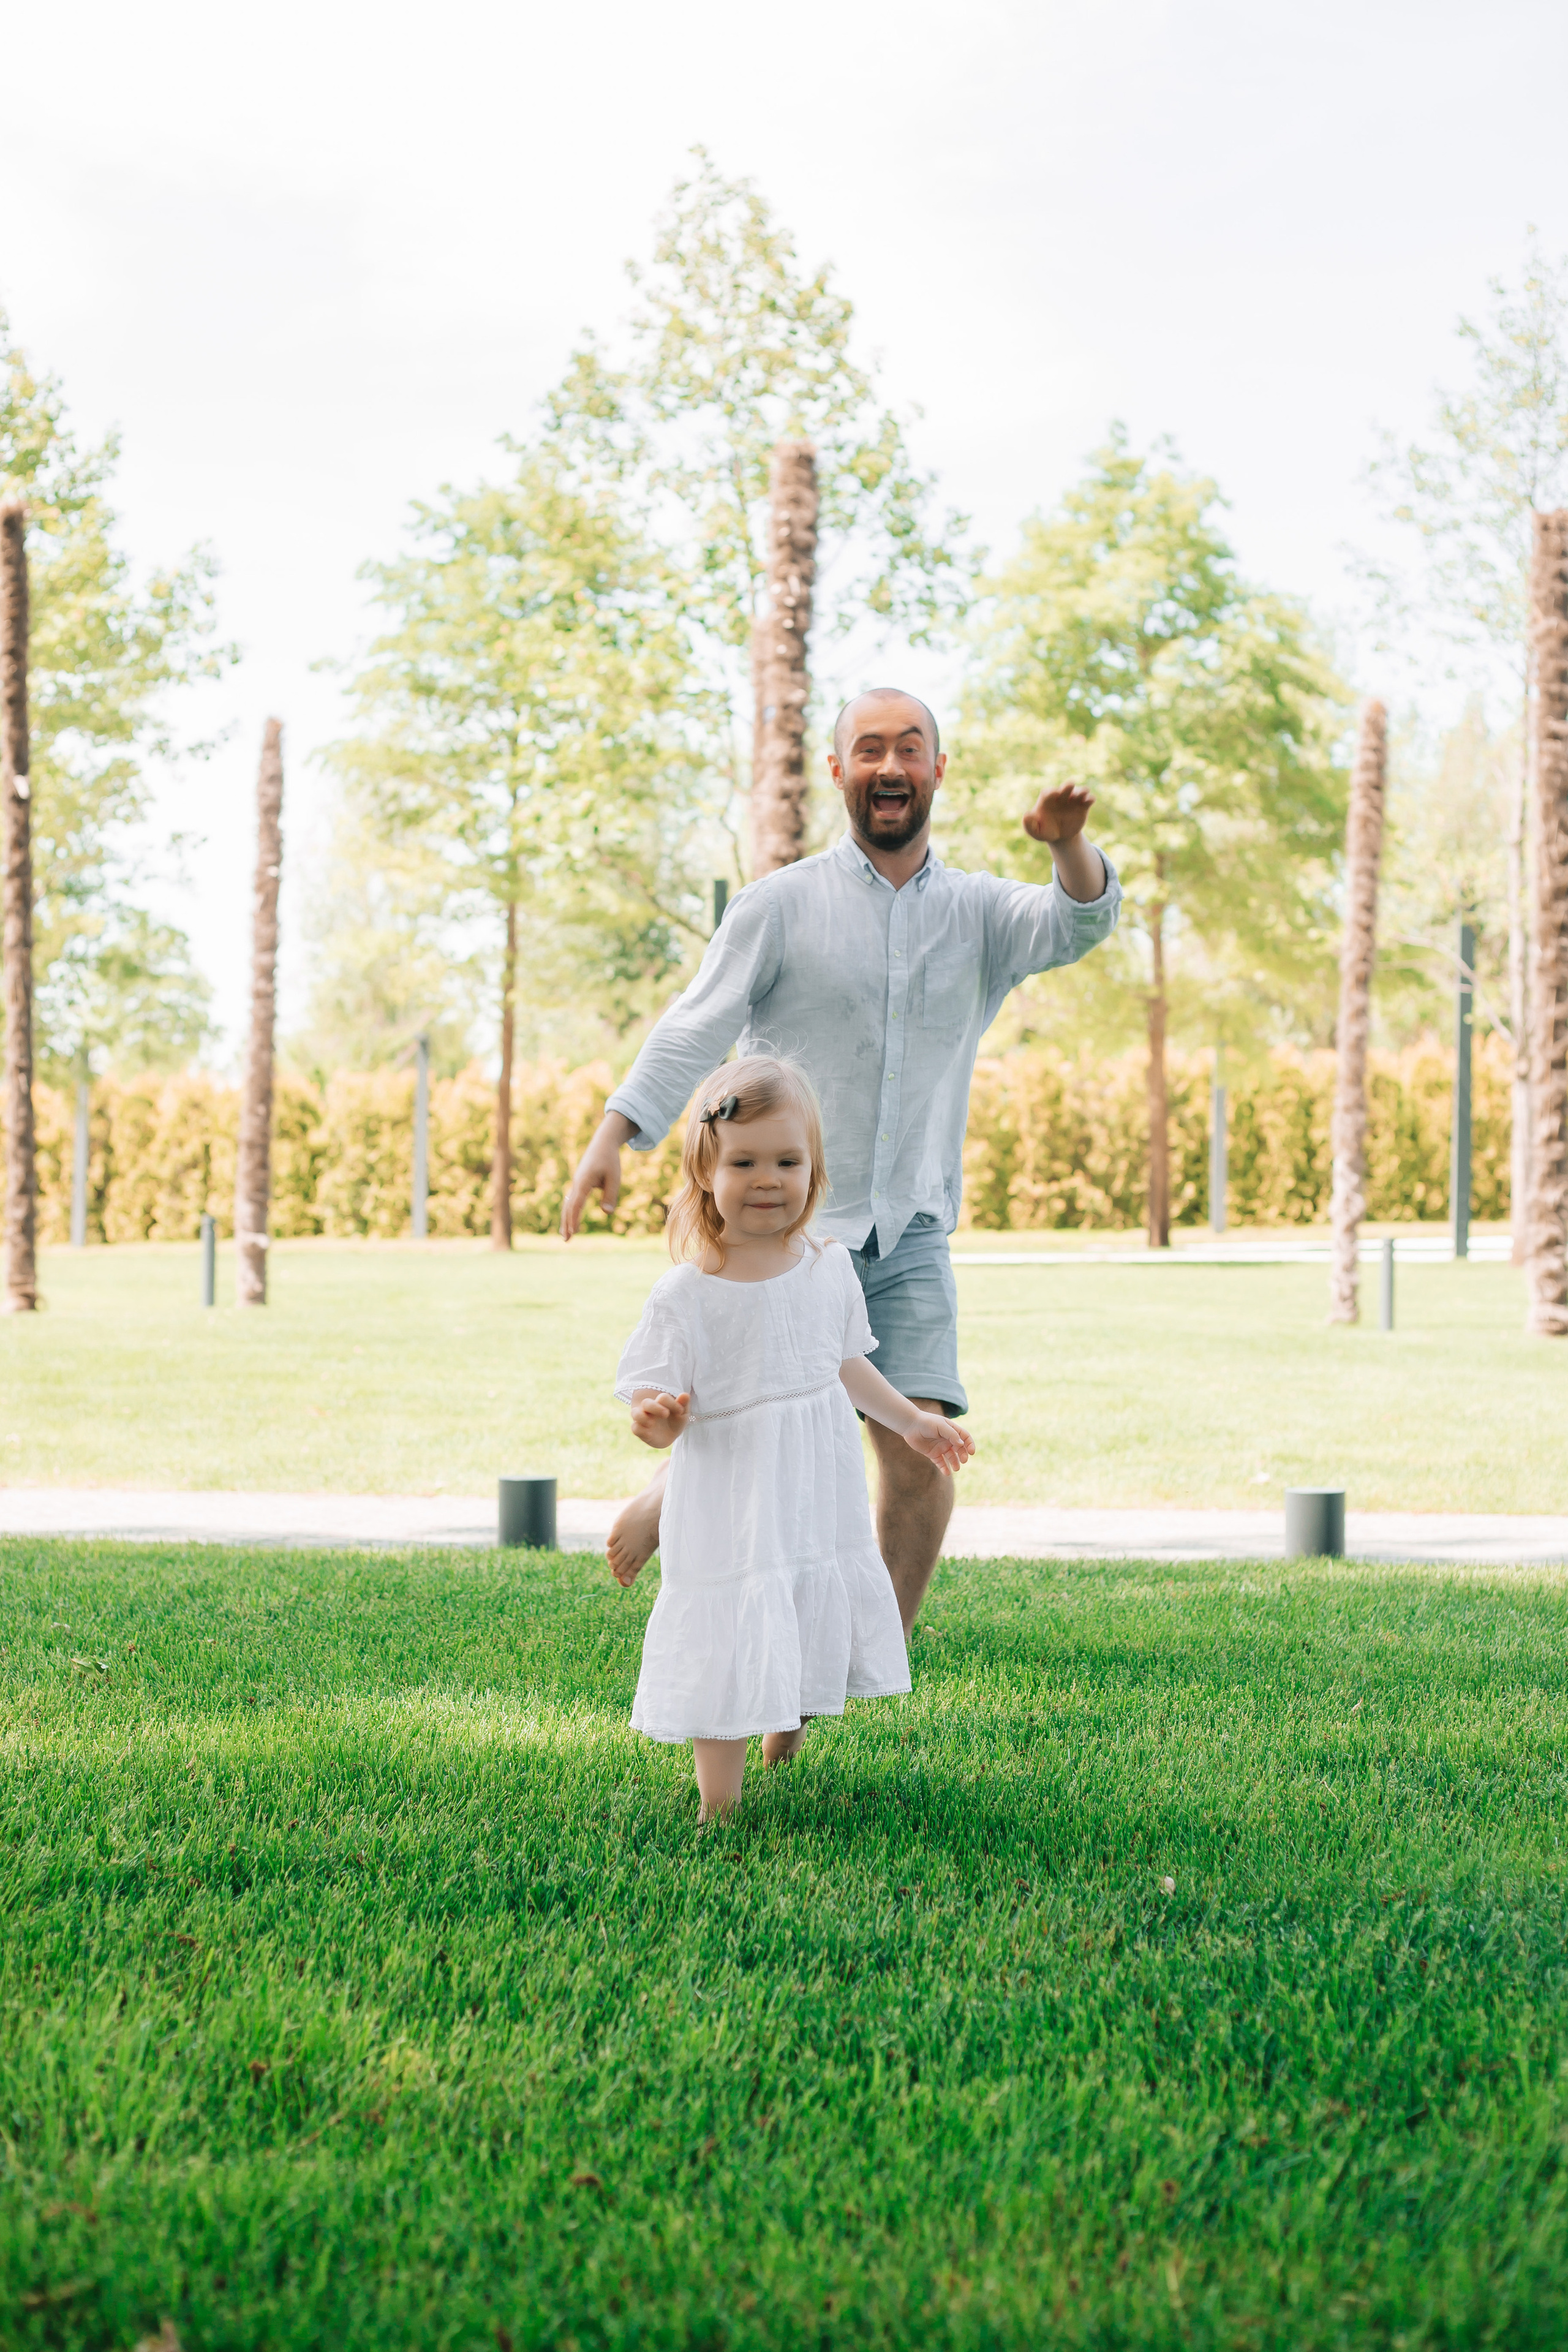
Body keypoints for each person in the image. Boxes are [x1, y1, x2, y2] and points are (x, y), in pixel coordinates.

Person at [564, 687, 1120, 1628]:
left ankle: (867, 1651)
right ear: (838, 772)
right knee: (759, 1423)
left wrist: (1066, 844)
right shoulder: (780, 907)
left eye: (911, 749)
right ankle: (674, 1494)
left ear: (939, 770)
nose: (891, 766)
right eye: (869, 750)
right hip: (790, 1230)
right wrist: (615, 1134)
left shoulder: (982, 915)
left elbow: (1079, 923)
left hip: (909, 1228)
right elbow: (697, 1025)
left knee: (918, 1446)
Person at [616, 1053, 973, 1820]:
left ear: (815, 1171)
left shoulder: (826, 1267)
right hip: (731, 1497)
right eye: (744, 1161)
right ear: (705, 1173)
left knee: (802, 1598)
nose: (769, 1178)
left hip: (812, 1485)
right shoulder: (689, 1293)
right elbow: (654, 1402)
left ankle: (788, 1729)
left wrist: (910, 1420)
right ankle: (720, 1801)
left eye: (789, 1160)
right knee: (732, 1626)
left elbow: (845, 1363)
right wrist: (660, 1423)